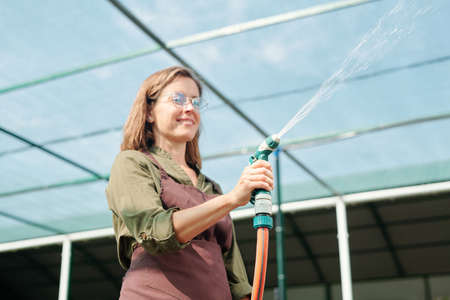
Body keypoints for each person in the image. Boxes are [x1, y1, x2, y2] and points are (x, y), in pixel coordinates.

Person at [106, 66, 274, 300]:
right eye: (178, 99)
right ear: (149, 112)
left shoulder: (211, 187)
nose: (189, 108)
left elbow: (234, 276)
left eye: (195, 102)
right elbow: (154, 232)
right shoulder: (132, 163)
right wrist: (232, 199)